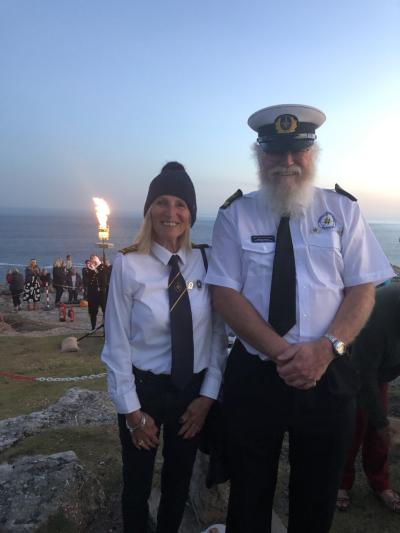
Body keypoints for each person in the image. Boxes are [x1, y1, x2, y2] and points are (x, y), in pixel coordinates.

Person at [205, 104, 395, 533]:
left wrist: (326, 351)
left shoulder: (342, 210)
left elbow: (363, 288)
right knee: (248, 496)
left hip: (328, 373)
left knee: (318, 497)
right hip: (256, 375)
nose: (286, 163)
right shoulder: (236, 215)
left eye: (297, 151)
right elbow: (224, 293)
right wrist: (284, 354)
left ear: (313, 154)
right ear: (259, 155)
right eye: (275, 152)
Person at [101, 162, 227, 533]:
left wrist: (207, 398)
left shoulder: (206, 261)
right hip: (145, 392)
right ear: (148, 210)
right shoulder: (128, 265)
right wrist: (132, 413)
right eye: (161, 202)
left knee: (177, 483)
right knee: (137, 487)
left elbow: (217, 338)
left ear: (190, 214)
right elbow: (117, 344)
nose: (170, 213)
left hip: (192, 392)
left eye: (180, 204)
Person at [337, 283, 400, 512]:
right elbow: (363, 374)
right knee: (354, 426)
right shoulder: (381, 313)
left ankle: (380, 483)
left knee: (378, 432)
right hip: (351, 364)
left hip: (383, 367)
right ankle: (340, 482)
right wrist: (383, 423)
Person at [86, 254, 107, 330]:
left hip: (101, 294)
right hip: (92, 294)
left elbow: (103, 279)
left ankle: (105, 326)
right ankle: (93, 327)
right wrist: (91, 269)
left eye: (92, 261)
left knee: (105, 311)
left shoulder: (102, 268)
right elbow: (88, 280)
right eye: (90, 261)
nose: (91, 263)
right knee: (92, 312)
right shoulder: (89, 269)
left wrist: (95, 269)